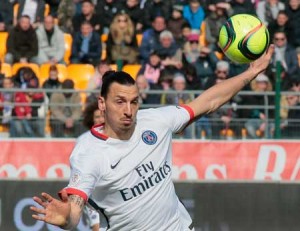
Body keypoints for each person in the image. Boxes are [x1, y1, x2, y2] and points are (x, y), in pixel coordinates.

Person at [30, 44, 274, 230]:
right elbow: (74, 211)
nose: (128, 110)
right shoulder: (88, 153)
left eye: (134, 101)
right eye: (120, 101)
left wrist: (251, 72)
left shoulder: (155, 121)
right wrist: (65, 219)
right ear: (102, 104)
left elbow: (207, 102)